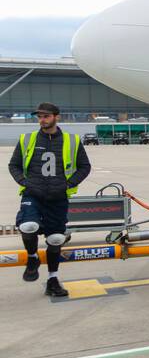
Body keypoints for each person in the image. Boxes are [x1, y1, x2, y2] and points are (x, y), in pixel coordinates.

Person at [8, 102, 90, 298]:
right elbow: (14, 165)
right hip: (33, 194)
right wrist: (25, 183)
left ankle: (53, 280)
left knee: (55, 239)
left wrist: (68, 184)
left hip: (58, 197)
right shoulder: (27, 139)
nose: (42, 120)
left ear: (56, 117)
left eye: (46, 116)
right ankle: (32, 257)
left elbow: (84, 167)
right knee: (28, 226)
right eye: (39, 116)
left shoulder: (72, 140)